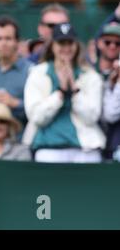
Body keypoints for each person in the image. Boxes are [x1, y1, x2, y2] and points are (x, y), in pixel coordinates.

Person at [23, 23, 105, 163]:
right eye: (61, 43)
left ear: (76, 45)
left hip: (85, 150)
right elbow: (36, 117)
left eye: (70, 43)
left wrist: (74, 90)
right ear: (53, 45)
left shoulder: (90, 76)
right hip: (48, 149)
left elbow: (92, 117)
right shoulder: (37, 73)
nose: (66, 48)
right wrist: (60, 92)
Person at [0, 16, 32, 126]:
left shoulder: (31, 70)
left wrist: (15, 103)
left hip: (24, 139)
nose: (3, 43)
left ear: (17, 41)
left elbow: (40, 109)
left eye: (8, 38)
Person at [96, 24, 120, 160]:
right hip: (93, 143)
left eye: (118, 43)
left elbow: (111, 115)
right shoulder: (88, 72)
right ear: (99, 43)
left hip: (115, 145)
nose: (112, 46)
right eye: (108, 42)